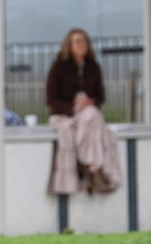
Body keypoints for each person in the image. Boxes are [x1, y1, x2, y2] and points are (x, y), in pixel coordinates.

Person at [46, 28, 122, 194]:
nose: (81, 44)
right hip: (66, 114)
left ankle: (87, 165)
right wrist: (73, 107)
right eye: (77, 41)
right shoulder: (59, 67)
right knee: (93, 118)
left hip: (88, 114)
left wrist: (90, 101)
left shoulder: (93, 67)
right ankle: (93, 169)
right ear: (69, 44)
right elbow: (51, 100)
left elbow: (100, 97)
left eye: (84, 41)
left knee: (93, 115)